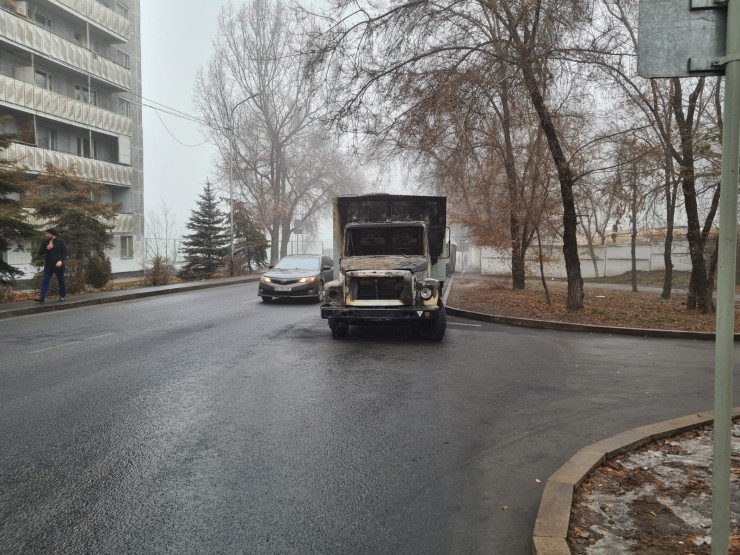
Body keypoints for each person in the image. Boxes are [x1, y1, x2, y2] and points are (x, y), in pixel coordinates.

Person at [35, 228, 67, 303]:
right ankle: (42, 298)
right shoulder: (46, 242)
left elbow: (65, 253)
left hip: (58, 265)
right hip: (49, 265)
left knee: (61, 281)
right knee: (45, 280)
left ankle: (62, 296)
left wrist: (61, 261)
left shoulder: (60, 242)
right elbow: (40, 252)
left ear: (52, 234)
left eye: (47, 234)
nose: (46, 235)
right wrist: (47, 248)